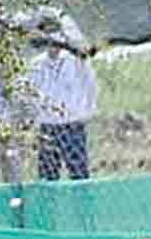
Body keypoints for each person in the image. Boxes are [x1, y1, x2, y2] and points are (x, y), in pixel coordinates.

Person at [24, 12, 100, 180]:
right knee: (48, 176)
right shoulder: (36, 65)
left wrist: (88, 111)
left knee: (79, 173)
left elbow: (90, 85)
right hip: (48, 126)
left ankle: (82, 204)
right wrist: (32, 117)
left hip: (72, 125)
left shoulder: (76, 61)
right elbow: (30, 94)